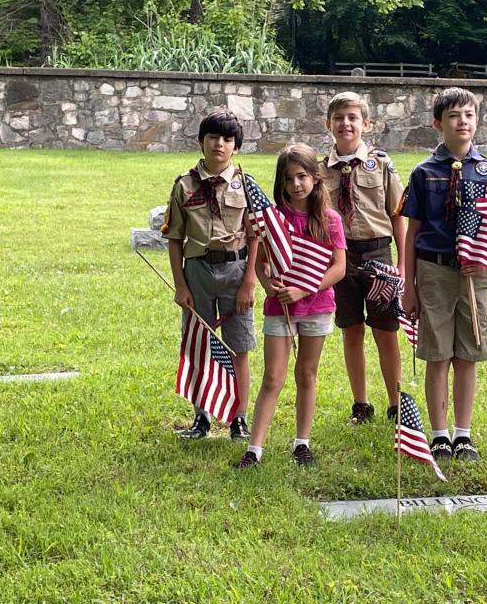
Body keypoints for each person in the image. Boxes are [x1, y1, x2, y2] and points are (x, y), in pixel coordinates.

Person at [400, 87, 487, 462]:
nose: (462, 121)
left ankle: (463, 434)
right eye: (453, 116)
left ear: (477, 120)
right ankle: (438, 434)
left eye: (468, 114)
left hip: (474, 274)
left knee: (468, 352)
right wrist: (409, 285)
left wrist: (484, 256)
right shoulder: (424, 173)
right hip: (434, 270)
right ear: (438, 124)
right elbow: (412, 232)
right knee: (437, 354)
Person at [235, 144, 347, 468]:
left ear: (316, 177)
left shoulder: (330, 220)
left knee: (307, 374)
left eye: (301, 176)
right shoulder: (273, 219)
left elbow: (338, 268)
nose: (296, 184)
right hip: (280, 308)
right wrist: (271, 286)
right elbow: (261, 265)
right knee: (273, 377)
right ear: (280, 183)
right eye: (288, 179)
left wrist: (303, 289)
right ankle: (254, 449)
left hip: (317, 304)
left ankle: (302, 443)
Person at [162, 110, 258, 440]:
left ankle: (239, 418)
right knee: (199, 345)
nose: (220, 144)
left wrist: (249, 282)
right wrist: (180, 284)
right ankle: (201, 416)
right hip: (198, 271)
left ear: (236, 146)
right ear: (201, 142)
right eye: (213, 137)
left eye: (227, 139)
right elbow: (175, 238)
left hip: (235, 270)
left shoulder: (245, 185)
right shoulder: (184, 185)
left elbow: (256, 236)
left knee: (238, 346)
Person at [318, 92, 406, 425]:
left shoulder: (381, 163)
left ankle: (396, 403)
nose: (346, 124)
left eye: (353, 117)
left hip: (377, 252)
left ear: (365, 123)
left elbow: (397, 214)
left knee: (387, 330)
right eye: (339, 118)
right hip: (339, 258)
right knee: (350, 330)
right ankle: (361, 403)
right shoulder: (318, 169)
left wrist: (402, 262)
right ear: (329, 125)